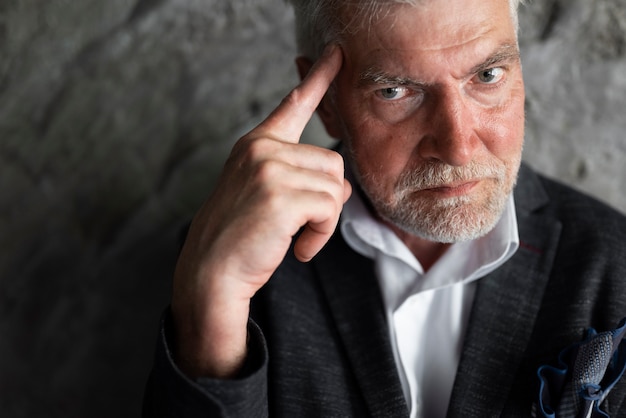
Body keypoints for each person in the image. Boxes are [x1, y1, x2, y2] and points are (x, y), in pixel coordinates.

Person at [143, 0, 626, 416]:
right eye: (395, 91)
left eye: (487, 75)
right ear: (326, 100)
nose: (458, 147)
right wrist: (212, 300)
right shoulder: (238, 263)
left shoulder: (616, 262)